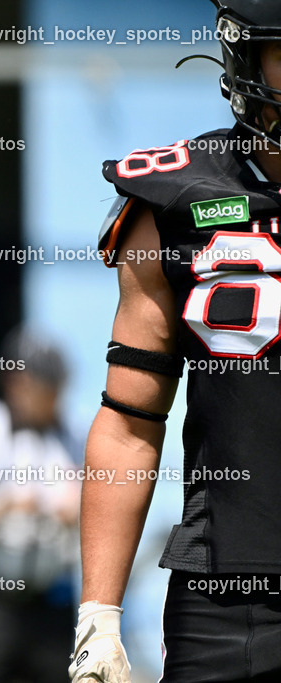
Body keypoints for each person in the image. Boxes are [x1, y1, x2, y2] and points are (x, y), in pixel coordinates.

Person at [71, 2, 281, 680]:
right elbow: (130, 420)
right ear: (247, 59)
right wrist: (99, 614)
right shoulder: (177, 199)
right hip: (229, 596)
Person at [0, 329, 78, 682]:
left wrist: (75, 508)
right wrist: (9, 503)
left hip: (52, 598)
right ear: (17, 382)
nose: (54, 398)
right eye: (45, 387)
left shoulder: (70, 434)